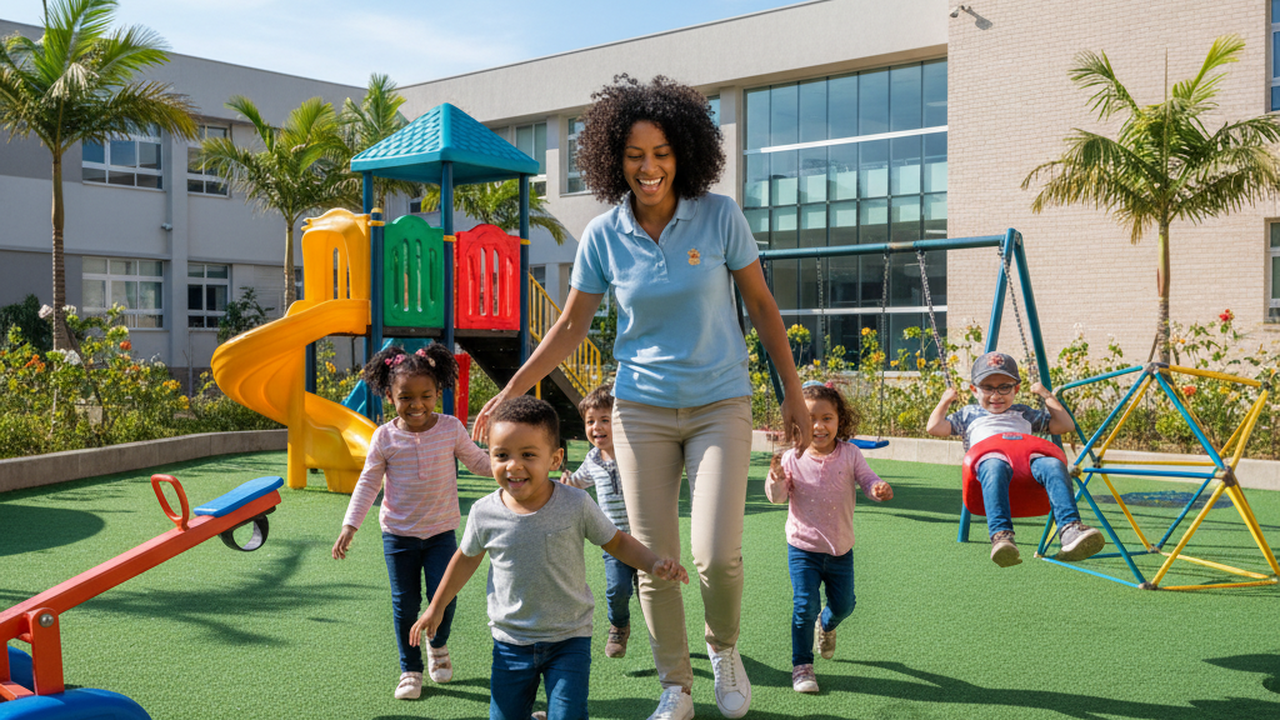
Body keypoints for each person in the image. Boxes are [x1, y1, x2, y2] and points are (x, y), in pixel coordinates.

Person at [471, 74, 810, 720]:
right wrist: (513, 385)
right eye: (634, 155)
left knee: (716, 555)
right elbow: (571, 326)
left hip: (720, 403)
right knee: (654, 559)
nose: (649, 168)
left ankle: (724, 649)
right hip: (641, 411)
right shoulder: (603, 235)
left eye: (660, 153)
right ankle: (675, 685)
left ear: (683, 151)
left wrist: (790, 392)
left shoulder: (719, 216)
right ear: (613, 160)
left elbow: (762, 306)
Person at [410, 396, 688, 720]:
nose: (513, 465)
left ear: (555, 458)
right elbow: (466, 558)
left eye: (528, 454)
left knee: (568, 715)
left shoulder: (576, 503)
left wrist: (653, 563)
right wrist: (436, 606)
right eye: (501, 455)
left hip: (569, 638)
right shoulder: (485, 513)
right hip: (510, 641)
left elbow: (617, 542)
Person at [331, 344, 492, 701]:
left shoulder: (450, 429)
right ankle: (411, 668)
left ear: (438, 392)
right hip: (399, 536)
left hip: (441, 533)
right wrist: (349, 525)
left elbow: (478, 462)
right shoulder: (385, 437)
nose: (416, 404)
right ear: (390, 396)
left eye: (426, 395)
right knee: (405, 604)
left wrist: (510, 472)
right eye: (406, 397)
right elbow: (368, 483)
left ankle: (439, 643)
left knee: (444, 597)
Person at [764, 381, 893, 694]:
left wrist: (878, 489)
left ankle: (828, 624)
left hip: (840, 549)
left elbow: (867, 479)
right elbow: (777, 498)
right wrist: (777, 480)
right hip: (803, 548)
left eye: (827, 418)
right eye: (809, 419)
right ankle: (802, 665)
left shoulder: (849, 454)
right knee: (804, 606)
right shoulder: (791, 457)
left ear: (839, 420)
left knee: (845, 605)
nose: (818, 426)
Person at [926, 351, 1104, 567]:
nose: (996, 395)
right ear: (974, 390)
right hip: (990, 465)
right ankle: (1002, 537)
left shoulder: (1025, 413)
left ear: (1016, 389)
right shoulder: (968, 414)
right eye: (988, 388)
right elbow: (934, 428)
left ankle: (1069, 530)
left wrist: (1047, 397)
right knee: (994, 466)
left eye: (1004, 387)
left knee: (1054, 464)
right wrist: (945, 401)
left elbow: (1065, 426)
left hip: (1028, 466)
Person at [557, 383, 637, 659]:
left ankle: (664, 636)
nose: (596, 427)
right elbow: (577, 483)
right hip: (615, 541)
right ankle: (619, 625)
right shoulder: (592, 459)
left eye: (605, 420)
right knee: (617, 589)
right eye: (590, 421)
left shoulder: (635, 452)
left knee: (654, 594)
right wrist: (565, 483)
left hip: (646, 537)